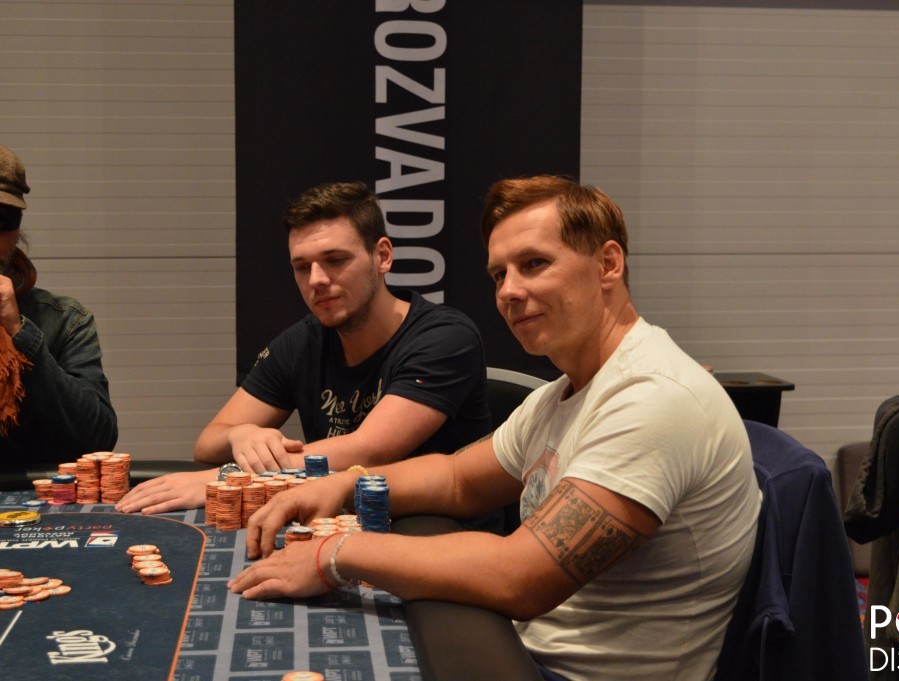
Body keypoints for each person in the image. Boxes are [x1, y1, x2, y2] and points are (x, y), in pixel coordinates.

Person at [227, 175, 761, 681]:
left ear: (607, 264)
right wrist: (344, 484)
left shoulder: (653, 400)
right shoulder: (561, 394)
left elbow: (519, 576)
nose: (509, 290)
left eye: (534, 264)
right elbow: (458, 479)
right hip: (520, 649)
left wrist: (335, 554)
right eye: (499, 275)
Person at [116, 181, 491, 515]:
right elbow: (208, 442)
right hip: (342, 517)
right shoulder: (302, 341)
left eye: (335, 260)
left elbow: (369, 450)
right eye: (301, 266)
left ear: (382, 256)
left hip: (439, 525)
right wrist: (240, 436)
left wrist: (228, 477)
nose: (316, 280)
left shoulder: (445, 337)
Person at [0, 144, 118, 462]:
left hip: (34, 490)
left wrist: (20, 333)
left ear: (17, 229)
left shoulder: (66, 321)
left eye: (2, 219)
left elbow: (98, 439)